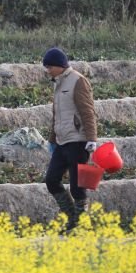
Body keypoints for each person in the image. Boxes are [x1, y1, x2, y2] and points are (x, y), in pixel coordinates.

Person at [42, 47, 98, 230]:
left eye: (49, 67)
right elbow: (57, 114)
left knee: (77, 186)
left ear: (59, 66)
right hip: (62, 141)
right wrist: (52, 139)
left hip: (78, 140)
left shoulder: (78, 81)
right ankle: (73, 217)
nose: (47, 70)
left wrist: (91, 138)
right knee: (51, 180)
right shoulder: (57, 83)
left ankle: (80, 224)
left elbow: (87, 112)